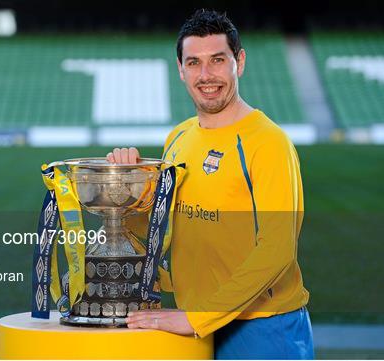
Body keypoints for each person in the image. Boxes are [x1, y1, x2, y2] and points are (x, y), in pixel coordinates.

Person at [107, 9, 314, 360]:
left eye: (218, 60)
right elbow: (165, 229)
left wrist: (198, 318)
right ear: (180, 69)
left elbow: (277, 250)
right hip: (195, 326)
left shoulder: (268, 144)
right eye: (194, 63)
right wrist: (130, 197)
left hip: (263, 328)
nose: (206, 76)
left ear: (240, 62)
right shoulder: (179, 137)